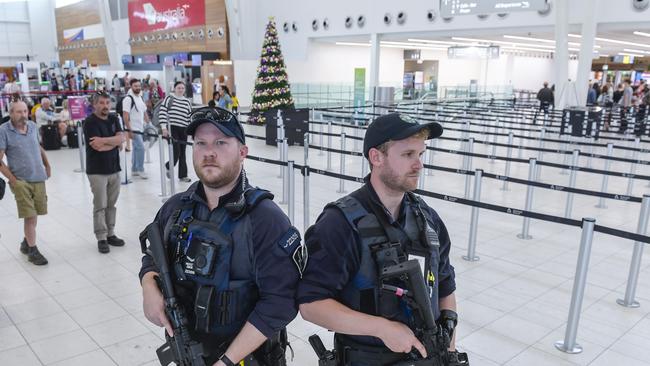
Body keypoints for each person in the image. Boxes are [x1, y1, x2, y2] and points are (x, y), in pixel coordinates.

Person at [139, 107, 303, 365]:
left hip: (248, 358)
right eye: (201, 143)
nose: (209, 152)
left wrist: (227, 361)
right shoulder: (175, 209)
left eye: (221, 142)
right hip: (188, 351)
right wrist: (149, 285)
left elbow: (281, 302)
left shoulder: (266, 220)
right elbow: (152, 256)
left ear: (243, 152)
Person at [298, 113, 462, 366]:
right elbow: (311, 304)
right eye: (408, 155)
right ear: (376, 157)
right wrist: (381, 328)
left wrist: (449, 336)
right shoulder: (339, 224)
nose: (419, 165)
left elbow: (445, 286)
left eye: (421, 154)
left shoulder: (428, 219)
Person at [0, 100, 50, 265]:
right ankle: (33, 251)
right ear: (11, 113)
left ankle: (26, 242)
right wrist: (13, 181)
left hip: (38, 177)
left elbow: (38, 147)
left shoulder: (33, 126)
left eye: (25, 111)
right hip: (21, 181)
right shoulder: (3, 131)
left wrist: (47, 164)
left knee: (35, 214)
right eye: (19, 112)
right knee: (30, 216)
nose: (23, 115)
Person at [83, 92, 126, 253]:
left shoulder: (114, 118)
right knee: (100, 205)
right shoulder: (90, 122)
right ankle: (101, 237)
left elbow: (122, 138)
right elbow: (97, 146)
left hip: (114, 168)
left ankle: (111, 233)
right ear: (94, 105)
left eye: (107, 102)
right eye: (101, 103)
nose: (105, 106)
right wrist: (113, 142)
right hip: (97, 171)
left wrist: (106, 141)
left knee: (111, 204)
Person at [160, 81, 193, 182]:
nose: (181, 90)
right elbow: (162, 112)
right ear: (174, 89)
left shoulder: (187, 101)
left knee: (182, 153)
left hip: (183, 129)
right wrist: (163, 128)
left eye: (183, 88)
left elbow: (189, 117)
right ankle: (168, 166)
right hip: (172, 128)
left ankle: (183, 175)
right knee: (176, 151)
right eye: (179, 88)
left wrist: (191, 132)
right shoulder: (169, 99)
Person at [122, 78, 150, 179]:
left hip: (140, 127)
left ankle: (134, 169)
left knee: (136, 149)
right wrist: (129, 130)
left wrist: (149, 124)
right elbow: (125, 115)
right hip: (133, 128)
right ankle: (140, 169)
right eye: (135, 86)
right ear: (131, 86)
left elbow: (144, 112)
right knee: (141, 148)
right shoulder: (128, 99)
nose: (138, 88)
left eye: (139, 86)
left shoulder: (140, 97)